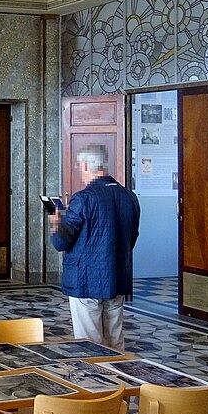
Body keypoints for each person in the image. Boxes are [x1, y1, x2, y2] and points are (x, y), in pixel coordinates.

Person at [49, 143, 140, 351]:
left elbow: (60, 242)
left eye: (79, 166)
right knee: (115, 341)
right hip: (117, 277)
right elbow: (131, 239)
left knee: (88, 344)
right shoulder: (129, 197)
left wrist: (56, 223)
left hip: (85, 281)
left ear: (85, 165)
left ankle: (96, 373)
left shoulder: (83, 199)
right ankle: (118, 372)